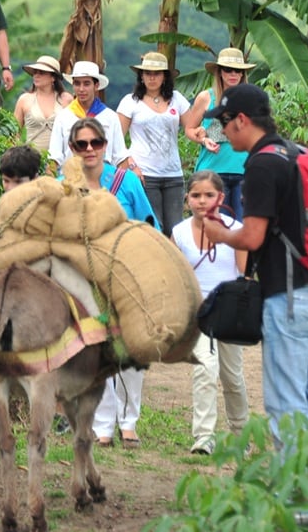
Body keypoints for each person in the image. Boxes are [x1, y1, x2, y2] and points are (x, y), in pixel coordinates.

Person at [197, 83, 308, 444]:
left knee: (286, 406)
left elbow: (253, 236)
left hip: (288, 297)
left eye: (223, 122)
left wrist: (220, 233)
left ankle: (295, 498)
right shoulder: (300, 154)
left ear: (241, 120)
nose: (221, 132)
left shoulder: (260, 164)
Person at [66, 117, 155, 450]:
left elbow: (149, 225)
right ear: (72, 149)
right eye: (81, 144)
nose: (89, 150)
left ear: (105, 145)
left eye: (96, 143)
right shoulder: (64, 184)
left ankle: (129, 421)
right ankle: (102, 424)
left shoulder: (127, 182)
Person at [172, 171, 249, 455]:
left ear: (221, 197)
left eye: (208, 195)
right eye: (196, 195)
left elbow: (243, 276)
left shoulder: (235, 229)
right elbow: (174, 275)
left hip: (228, 311)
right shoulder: (179, 233)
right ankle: (204, 436)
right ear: (187, 199)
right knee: (205, 368)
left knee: (233, 377)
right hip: (197, 311)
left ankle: (241, 433)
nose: (202, 201)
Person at [117, 51, 192, 235]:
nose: (152, 77)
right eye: (148, 73)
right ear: (141, 76)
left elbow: (192, 127)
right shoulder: (130, 102)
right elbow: (117, 139)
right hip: (145, 174)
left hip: (173, 174)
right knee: (153, 228)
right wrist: (131, 165)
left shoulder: (177, 99)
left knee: (176, 229)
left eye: (157, 73)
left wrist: (206, 135)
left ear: (164, 76)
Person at [183, 48, 257, 220]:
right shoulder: (206, 97)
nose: (233, 74)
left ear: (243, 73)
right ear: (219, 72)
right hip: (213, 172)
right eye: (227, 69)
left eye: (237, 70)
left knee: (240, 227)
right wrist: (203, 139)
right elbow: (189, 129)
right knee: (214, 226)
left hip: (243, 171)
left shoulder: (251, 99)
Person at [47, 61, 129, 170]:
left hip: (104, 178)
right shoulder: (63, 117)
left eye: (86, 84)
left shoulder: (110, 117)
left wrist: (121, 184)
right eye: (77, 83)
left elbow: (120, 156)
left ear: (96, 85)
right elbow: (54, 156)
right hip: (72, 178)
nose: (81, 89)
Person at [13, 55, 72, 156]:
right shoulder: (24, 100)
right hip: (31, 160)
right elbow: (14, 133)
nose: (36, 75)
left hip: (59, 160)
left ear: (53, 77)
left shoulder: (66, 99)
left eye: (42, 72)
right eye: (35, 72)